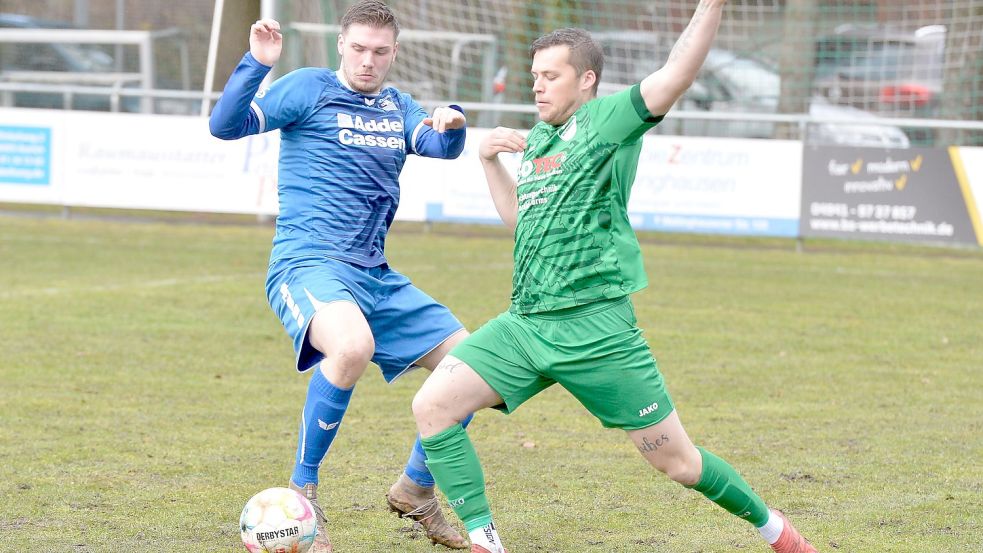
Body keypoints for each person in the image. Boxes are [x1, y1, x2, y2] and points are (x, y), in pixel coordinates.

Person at [411, 2, 819, 552]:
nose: (538, 87)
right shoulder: (537, 141)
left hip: (597, 330)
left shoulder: (608, 123)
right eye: (534, 76)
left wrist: (711, 6)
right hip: (526, 325)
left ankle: (778, 531)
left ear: (587, 80)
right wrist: (489, 162)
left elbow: (677, 73)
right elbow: (520, 221)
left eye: (550, 76)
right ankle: (486, 541)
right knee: (433, 406)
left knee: (679, 464)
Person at [209, 1, 473, 551]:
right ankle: (302, 491)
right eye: (358, 49)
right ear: (341, 46)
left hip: (376, 275)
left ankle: (416, 490)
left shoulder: (398, 106)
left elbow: (438, 146)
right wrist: (257, 63)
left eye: (380, 52)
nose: (368, 61)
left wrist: (452, 120)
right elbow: (225, 125)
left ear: (394, 52)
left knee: (470, 366)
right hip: (308, 263)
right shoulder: (307, 88)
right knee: (351, 348)